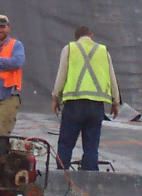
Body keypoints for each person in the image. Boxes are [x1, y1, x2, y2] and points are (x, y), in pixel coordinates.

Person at [51, 25, 120, 171]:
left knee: (66, 143)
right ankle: (90, 178)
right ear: (91, 36)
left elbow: (61, 75)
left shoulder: (70, 49)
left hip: (74, 104)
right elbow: (112, 78)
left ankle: (62, 176)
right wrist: (115, 102)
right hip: (96, 106)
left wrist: (56, 97)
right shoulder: (103, 51)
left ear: (76, 38)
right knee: (91, 146)